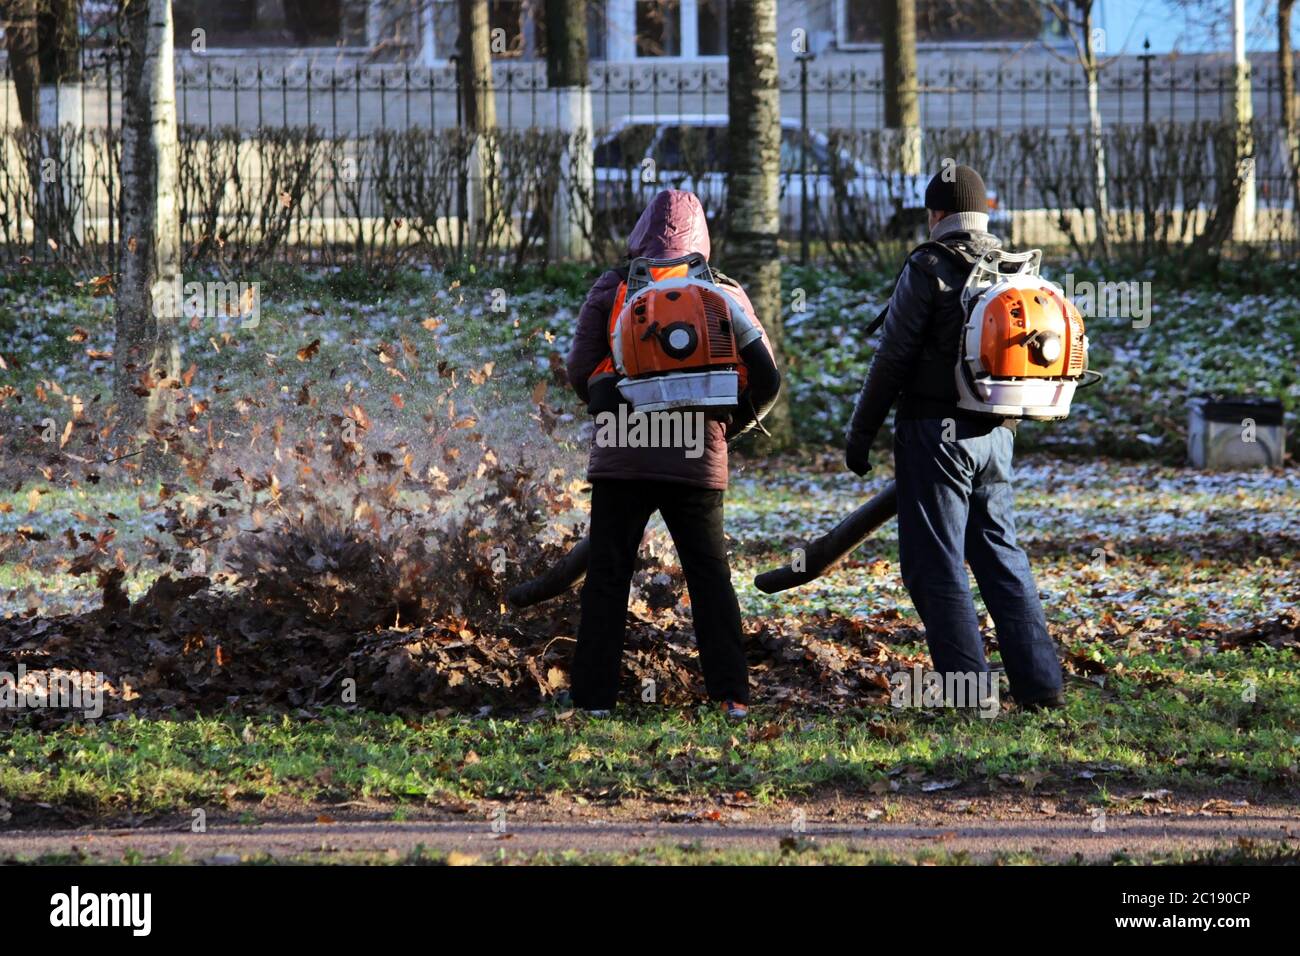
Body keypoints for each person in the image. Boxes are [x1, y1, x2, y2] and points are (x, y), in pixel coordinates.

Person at [843, 165, 1064, 711]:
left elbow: (892, 356)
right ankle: (1042, 687)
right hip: (997, 433)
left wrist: (861, 432)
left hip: (934, 435)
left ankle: (970, 699)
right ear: (982, 213)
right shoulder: (1010, 268)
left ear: (936, 215)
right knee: (1000, 556)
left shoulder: (931, 264)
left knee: (934, 564)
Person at [564, 189, 780, 718]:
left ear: (640, 232)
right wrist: (727, 425)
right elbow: (766, 375)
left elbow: (579, 370)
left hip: (624, 448)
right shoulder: (723, 291)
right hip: (696, 453)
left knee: (609, 576)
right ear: (702, 237)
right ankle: (731, 695)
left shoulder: (614, 286)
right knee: (710, 576)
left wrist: (615, 404)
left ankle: (593, 699)